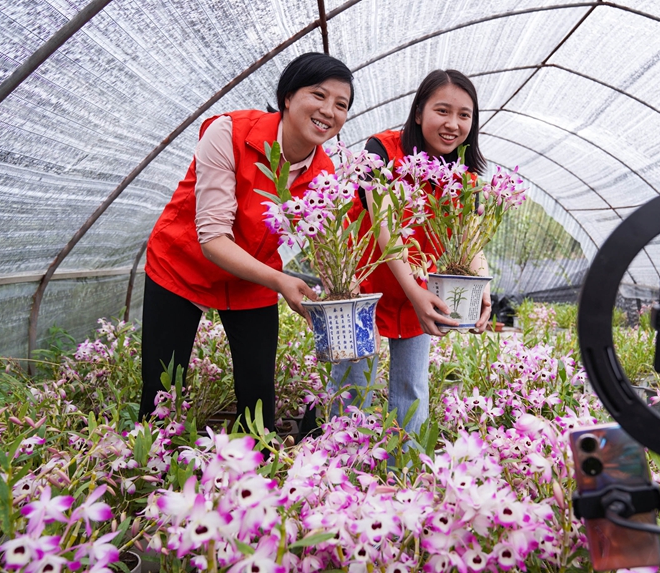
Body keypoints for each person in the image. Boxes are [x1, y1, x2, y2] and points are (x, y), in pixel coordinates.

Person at [139, 52, 354, 435]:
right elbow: (213, 239)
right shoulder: (228, 132)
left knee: (258, 402)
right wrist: (282, 280)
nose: (329, 111)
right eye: (318, 95)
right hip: (182, 263)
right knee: (161, 392)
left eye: (341, 104)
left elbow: (326, 243)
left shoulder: (324, 172)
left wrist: (343, 290)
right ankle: (153, 471)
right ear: (288, 96)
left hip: (251, 278)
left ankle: (250, 477)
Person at [323, 69, 492, 437]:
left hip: (420, 288)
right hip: (363, 285)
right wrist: (415, 292)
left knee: (411, 387)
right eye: (442, 111)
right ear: (419, 112)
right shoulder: (381, 150)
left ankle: (406, 472)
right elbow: (383, 226)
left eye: (464, 115)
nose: (453, 124)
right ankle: (339, 467)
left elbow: (470, 236)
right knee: (353, 385)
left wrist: (483, 290)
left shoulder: (465, 176)